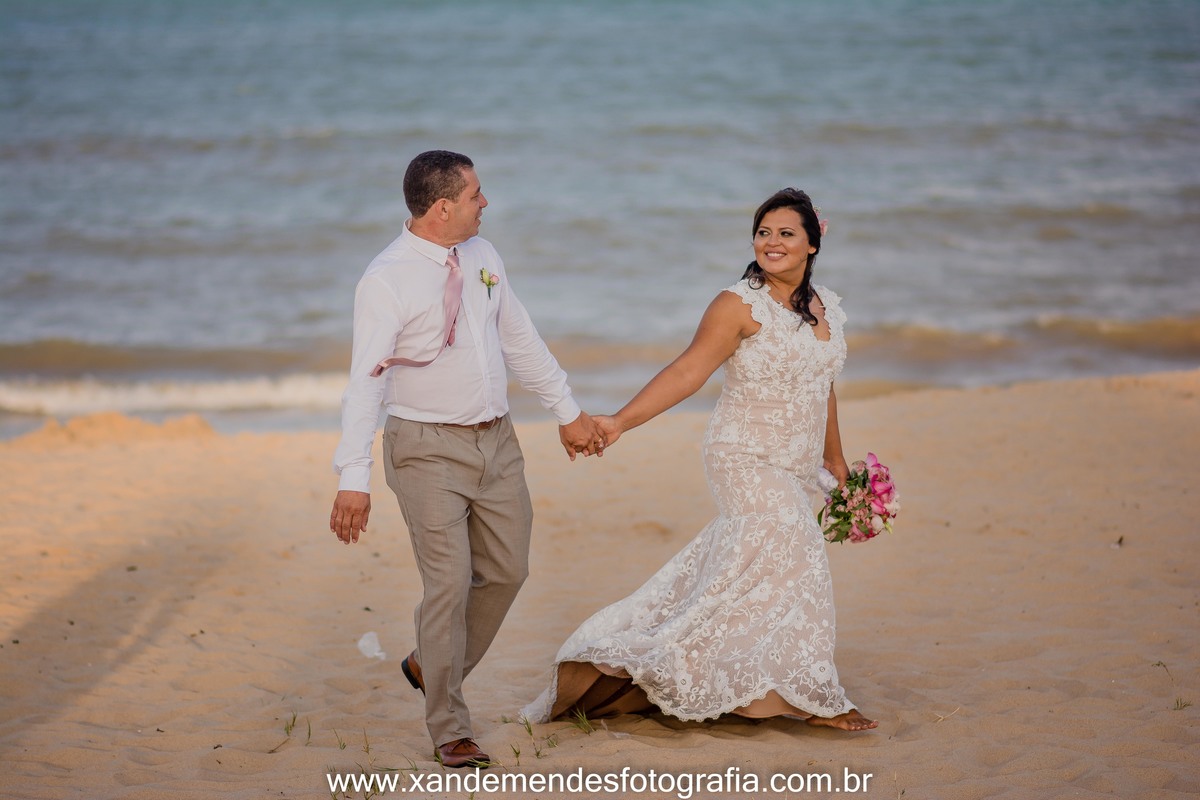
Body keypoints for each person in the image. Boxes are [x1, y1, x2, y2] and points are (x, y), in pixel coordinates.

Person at [521, 188, 877, 731]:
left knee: (757, 571)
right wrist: (619, 422)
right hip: (742, 453)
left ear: (812, 243)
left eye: (786, 233)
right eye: (763, 233)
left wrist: (836, 459)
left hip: (796, 462)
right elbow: (688, 371)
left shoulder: (826, 307)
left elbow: (821, 383)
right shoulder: (737, 304)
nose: (772, 242)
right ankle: (808, 696)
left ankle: (728, 677)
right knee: (797, 547)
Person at [329, 150, 605, 769]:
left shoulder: (483, 256)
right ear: (442, 207)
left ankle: (430, 663)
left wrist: (566, 410)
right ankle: (450, 727)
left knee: (507, 571)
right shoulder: (386, 279)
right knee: (448, 584)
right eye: (476, 194)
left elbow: (519, 337)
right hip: (424, 448)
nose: (486, 203)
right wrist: (353, 477)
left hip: (497, 442)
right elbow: (365, 382)